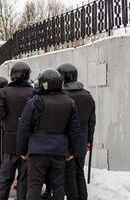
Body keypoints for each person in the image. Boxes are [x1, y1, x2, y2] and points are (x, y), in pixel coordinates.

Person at [16, 68, 81, 200]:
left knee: (34, 185)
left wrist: (22, 150)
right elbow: (74, 130)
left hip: (37, 150)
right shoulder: (69, 102)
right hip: (59, 150)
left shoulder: (35, 101)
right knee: (58, 185)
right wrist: (71, 151)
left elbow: (24, 127)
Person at [0, 61, 34, 200]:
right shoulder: (34, 92)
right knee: (24, 180)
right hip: (28, 141)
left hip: (9, 141)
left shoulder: (4, 92)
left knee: (4, 179)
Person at [58, 63, 96, 200]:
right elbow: (92, 121)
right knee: (79, 171)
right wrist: (89, 140)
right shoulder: (88, 96)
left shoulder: (61, 95)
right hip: (82, 139)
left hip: (66, 139)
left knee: (68, 172)